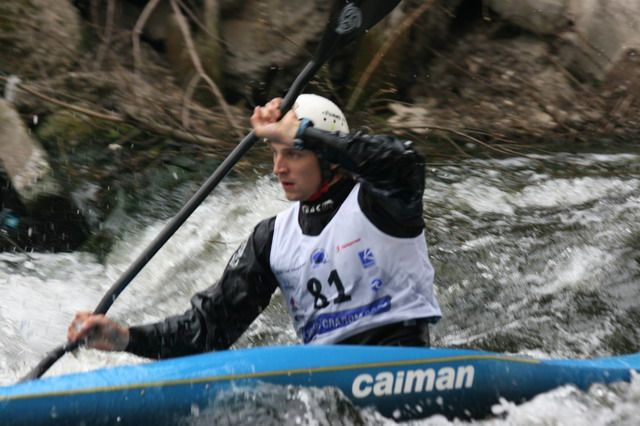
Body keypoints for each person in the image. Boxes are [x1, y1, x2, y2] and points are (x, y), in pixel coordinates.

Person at [67, 94, 442, 358]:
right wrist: (127, 338)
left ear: (331, 157)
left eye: (293, 153)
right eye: (275, 153)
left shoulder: (384, 202)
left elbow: (405, 161)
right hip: (328, 385)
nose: (279, 168)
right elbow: (209, 330)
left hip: (402, 361)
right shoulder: (272, 238)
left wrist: (303, 132)